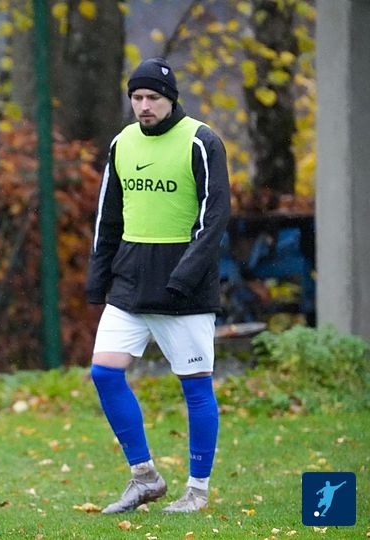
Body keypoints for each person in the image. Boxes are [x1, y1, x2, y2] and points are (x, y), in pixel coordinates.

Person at [85, 57, 231, 513]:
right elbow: (108, 217)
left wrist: (184, 277)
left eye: (152, 98)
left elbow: (214, 218)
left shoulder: (201, 141)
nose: (144, 106)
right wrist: (99, 277)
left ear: (171, 99)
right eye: (137, 97)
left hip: (183, 290)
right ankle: (144, 477)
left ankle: (197, 491)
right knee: (104, 372)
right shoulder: (122, 143)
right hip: (129, 283)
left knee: (196, 387)